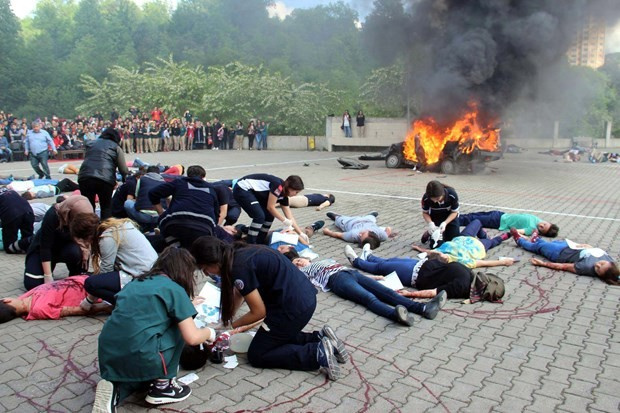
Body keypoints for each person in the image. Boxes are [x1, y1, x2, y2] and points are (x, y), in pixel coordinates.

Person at [190, 237, 346, 380]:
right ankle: (319, 337)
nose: (206, 273)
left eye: (204, 269)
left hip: (292, 308)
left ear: (212, 262)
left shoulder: (238, 267)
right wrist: (227, 320)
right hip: (304, 298)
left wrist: (230, 327)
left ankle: (316, 353)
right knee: (271, 338)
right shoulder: (237, 252)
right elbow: (239, 293)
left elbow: (258, 312)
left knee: (258, 354)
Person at [93, 247, 217, 411]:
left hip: (108, 352)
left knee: (138, 379)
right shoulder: (174, 289)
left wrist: (187, 305)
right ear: (184, 271)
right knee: (178, 327)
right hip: (142, 353)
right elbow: (192, 337)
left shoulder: (135, 283)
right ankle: (163, 386)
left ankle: (115, 390)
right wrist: (210, 333)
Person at [288, 251, 446, 324]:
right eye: (296, 264)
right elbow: (303, 284)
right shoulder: (304, 272)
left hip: (351, 273)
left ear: (306, 258)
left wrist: (375, 277)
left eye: (300, 260)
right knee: (368, 298)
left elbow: (362, 276)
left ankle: (423, 309)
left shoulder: (325, 260)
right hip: (336, 280)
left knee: (386, 292)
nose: (300, 263)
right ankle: (395, 315)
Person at [345, 244, 504, 301]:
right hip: (422, 264)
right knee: (389, 261)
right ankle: (369, 256)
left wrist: (409, 294)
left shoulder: (460, 287)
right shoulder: (470, 277)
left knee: (382, 268)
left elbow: (433, 293)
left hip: (415, 275)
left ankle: (357, 261)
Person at [24, 196, 100, 290]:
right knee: (32, 284)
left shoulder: (88, 218)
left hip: (66, 248)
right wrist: (48, 275)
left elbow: (87, 240)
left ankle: (74, 274)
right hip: (44, 249)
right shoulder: (53, 215)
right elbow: (45, 247)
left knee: (76, 255)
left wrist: (86, 252)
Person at [81, 218, 158, 308]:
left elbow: (106, 270)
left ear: (88, 236)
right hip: (149, 273)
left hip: (141, 276)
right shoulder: (119, 227)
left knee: (91, 283)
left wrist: (89, 300)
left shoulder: (107, 237)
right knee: (95, 278)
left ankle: (130, 302)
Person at [149, 165, 220, 248]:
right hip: (204, 226)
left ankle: (174, 247)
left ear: (188, 175)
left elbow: (153, 193)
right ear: (203, 177)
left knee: (162, 219)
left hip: (177, 220)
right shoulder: (211, 189)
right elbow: (216, 214)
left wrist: (160, 212)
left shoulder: (180, 182)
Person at [511, 231, 619, 285]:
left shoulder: (585, 267)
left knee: (537, 248)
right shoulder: (611, 262)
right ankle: (536, 239)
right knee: (549, 243)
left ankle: (519, 240)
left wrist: (542, 264)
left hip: (559, 254)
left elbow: (563, 266)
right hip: (570, 246)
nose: (597, 264)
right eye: (602, 264)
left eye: (598, 269)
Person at [0, 276, 112, 324]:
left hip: (85, 280)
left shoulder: (24, 299)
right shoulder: (38, 309)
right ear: (6, 300)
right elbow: (78, 310)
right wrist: (106, 307)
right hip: (95, 290)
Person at [233, 174, 305, 244]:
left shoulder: (284, 196)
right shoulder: (278, 187)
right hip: (242, 189)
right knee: (259, 216)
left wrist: (300, 233)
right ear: (290, 188)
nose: (296, 195)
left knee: (269, 217)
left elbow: (290, 217)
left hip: (253, 193)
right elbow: (270, 207)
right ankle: (251, 243)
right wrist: (284, 220)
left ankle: (260, 241)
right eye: (296, 192)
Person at [412, 220, 514, 269]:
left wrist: (419, 249)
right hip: (478, 246)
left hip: (463, 237)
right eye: (444, 257)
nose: (442, 254)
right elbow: (484, 263)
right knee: (492, 242)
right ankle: (504, 236)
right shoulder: (461, 262)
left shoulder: (438, 252)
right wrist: (504, 262)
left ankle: (483, 235)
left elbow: (430, 252)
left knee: (477, 222)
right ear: (446, 261)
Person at [78, 128, 130, 220]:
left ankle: (89, 229)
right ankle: (106, 230)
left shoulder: (91, 144)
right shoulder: (116, 147)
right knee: (106, 206)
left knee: (88, 207)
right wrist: (125, 180)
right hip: (105, 179)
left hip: (85, 176)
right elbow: (124, 170)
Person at [459, 210, 559, 237]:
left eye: (542, 228)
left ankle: (451, 221)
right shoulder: (538, 220)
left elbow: (515, 231)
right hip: (500, 214)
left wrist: (522, 235)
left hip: (498, 222)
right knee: (471, 215)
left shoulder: (532, 229)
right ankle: (452, 216)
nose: (542, 225)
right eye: (545, 224)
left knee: (471, 219)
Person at [322, 211, 391, 250]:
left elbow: (338, 235)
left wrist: (328, 232)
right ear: (371, 233)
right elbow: (388, 229)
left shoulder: (353, 236)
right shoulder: (381, 235)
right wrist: (386, 230)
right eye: (363, 234)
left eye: (360, 237)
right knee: (372, 217)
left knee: (339, 220)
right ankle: (371, 215)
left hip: (350, 222)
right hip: (368, 220)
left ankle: (336, 216)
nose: (360, 235)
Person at [420, 180, 460, 246]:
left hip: (450, 218)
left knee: (453, 243)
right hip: (436, 217)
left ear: (443, 193)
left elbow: (454, 212)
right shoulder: (426, 198)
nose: (435, 201)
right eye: (433, 199)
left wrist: (445, 223)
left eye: (437, 199)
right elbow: (425, 213)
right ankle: (428, 233)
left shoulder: (452, 195)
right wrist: (431, 223)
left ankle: (446, 231)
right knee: (435, 246)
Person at [0, 188, 35, 254]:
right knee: (28, 236)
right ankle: (29, 246)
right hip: (28, 211)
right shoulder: (10, 190)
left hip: (12, 214)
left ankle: (17, 248)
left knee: (9, 246)